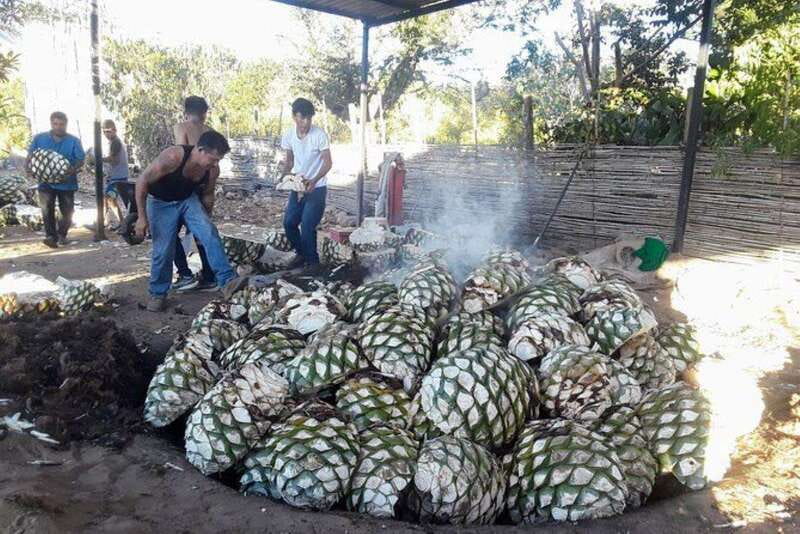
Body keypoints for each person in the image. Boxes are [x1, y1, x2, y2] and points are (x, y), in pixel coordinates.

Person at [134, 130, 243, 311]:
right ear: (200, 150)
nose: (215, 164)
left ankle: (227, 282)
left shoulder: (211, 170)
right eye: (213, 159)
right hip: (160, 202)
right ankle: (158, 293)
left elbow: (208, 196)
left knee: (210, 234)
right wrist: (141, 217)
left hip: (187, 200)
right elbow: (142, 181)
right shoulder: (173, 157)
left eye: (219, 160)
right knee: (163, 249)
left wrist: (203, 226)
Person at [281, 98, 332, 268]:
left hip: (316, 187)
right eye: (302, 118)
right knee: (289, 223)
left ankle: (313, 264)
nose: (306, 122)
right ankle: (301, 254)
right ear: (294, 116)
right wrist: (284, 177)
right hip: (298, 186)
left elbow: (327, 162)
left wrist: (315, 180)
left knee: (308, 224)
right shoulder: (289, 135)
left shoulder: (319, 135)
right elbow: (289, 161)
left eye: (309, 118)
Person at [172, 96, 215, 291]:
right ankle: (209, 275)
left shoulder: (181, 128)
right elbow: (215, 166)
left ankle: (184, 274)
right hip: (205, 186)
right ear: (205, 112)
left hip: (186, 185)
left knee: (169, 230)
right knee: (202, 232)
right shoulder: (211, 133)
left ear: (186, 111)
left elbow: (182, 154)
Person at [26, 111, 85, 248]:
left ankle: (61, 234)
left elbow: (80, 159)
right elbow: (31, 155)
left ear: (66, 125)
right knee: (47, 209)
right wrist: (28, 168)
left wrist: (71, 169)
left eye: (61, 124)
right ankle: (51, 236)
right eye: (55, 124)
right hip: (45, 182)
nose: (58, 127)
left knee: (67, 211)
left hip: (67, 183)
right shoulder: (39, 138)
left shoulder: (74, 141)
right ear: (51, 123)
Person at [101, 119, 129, 228]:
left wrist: (99, 160)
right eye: (104, 131)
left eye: (108, 131)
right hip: (116, 176)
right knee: (107, 199)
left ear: (114, 130)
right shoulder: (113, 142)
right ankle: (103, 221)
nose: (106, 134)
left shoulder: (116, 143)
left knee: (110, 199)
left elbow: (114, 160)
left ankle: (122, 223)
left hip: (118, 177)